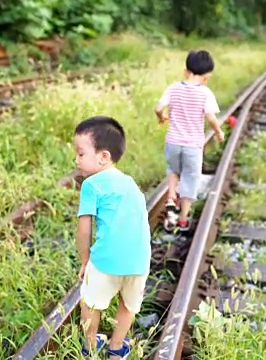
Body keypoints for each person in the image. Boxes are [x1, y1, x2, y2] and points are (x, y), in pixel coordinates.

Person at [73, 116, 152, 359]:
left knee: (91, 303)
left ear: (103, 157)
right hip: (139, 262)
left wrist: (86, 261)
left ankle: (89, 346)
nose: (76, 160)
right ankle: (117, 348)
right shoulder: (129, 182)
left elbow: (84, 229)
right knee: (128, 306)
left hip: (106, 261)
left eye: (80, 154)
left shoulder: (92, 184)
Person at [154, 50, 225, 232]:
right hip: (193, 146)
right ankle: (184, 219)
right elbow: (210, 118)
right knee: (190, 179)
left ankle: (171, 197)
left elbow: (158, 107)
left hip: (173, 142)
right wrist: (218, 132)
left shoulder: (174, 88)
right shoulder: (205, 93)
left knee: (173, 170)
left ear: (186, 71)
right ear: (206, 76)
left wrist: (162, 117)